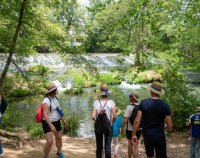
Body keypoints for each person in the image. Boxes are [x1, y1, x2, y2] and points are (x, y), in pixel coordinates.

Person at [132, 81, 173, 158]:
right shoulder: (165, 105)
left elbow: (137, 121)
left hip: (147, 134)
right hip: (159, 135)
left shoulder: (143, 103)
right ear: (159, 92)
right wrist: (164, 128)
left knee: (149, 155)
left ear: (151, 91)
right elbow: (170, 126)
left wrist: (134, 134)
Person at [42, 84, 68, 158]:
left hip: (57, 121)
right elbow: (45, 114)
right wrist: (51, 125)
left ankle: (59, 153)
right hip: (47, 123)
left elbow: (59, 110)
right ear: (52, 91)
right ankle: (45, 156)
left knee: (59, 138)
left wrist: (63, 120)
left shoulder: (55, 98)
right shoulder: (46, 100)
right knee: (50, 141)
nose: (56, 91)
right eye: (55, 90)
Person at [92, 84, 116, 158]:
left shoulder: (96, 102)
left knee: (99, 147)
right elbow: (114, 116)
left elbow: (93, 116)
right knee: (108, 147)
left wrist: (97, 121)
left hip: (98, 127)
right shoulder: (111, 102)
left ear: (100, 93)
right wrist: (111, 123)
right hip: (108, 126)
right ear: (108, 93)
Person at [121, 91, 141, 158]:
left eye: (130, 96)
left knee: (130, 144)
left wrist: (122, 128)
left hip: (130, 129)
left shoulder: (129, 107)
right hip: (138, 128)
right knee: (136, 145)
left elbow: (125, 119)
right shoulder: (141, 106)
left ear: (133, 97)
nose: (129, 97)